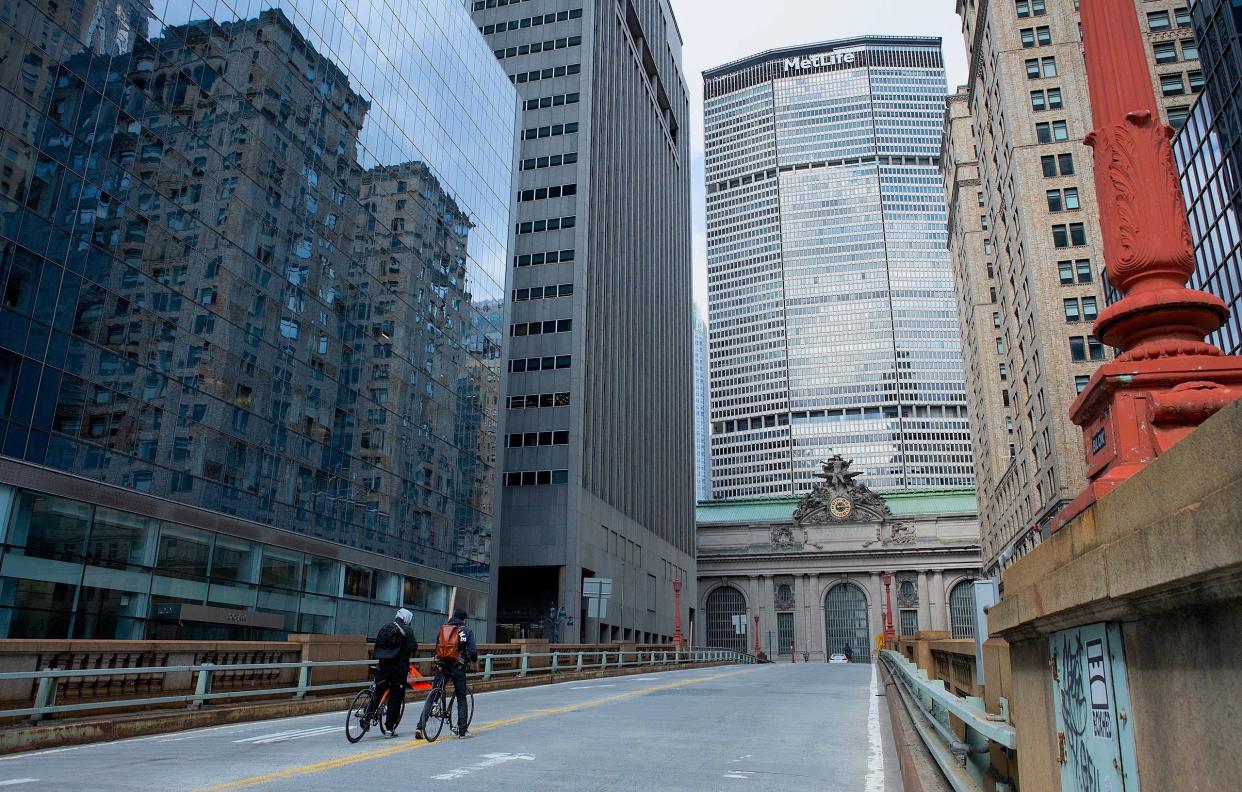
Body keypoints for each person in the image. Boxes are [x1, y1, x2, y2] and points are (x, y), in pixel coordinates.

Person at [416, 607, 478, 739]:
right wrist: (474, 662)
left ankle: (420, 727)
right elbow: (472, 651)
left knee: (434, 695)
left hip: (442, 665)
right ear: (464, 619)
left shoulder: (444, 629)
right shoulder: (467, 631)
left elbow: (437, 647)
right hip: (457, 666)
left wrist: (437, 663)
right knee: (461, 697)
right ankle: (462, 731)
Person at [372, 608, 418, 736]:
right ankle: (389, 728)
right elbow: (413, 646)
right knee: (395, 698)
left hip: (382, 666)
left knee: (378, 691)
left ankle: (367, 716)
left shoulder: (386, 627)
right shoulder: (407, 629)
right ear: (407, 618)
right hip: (398, 668)